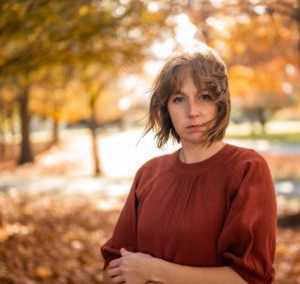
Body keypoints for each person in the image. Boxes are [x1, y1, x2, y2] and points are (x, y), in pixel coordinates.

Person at [101, 46, 277, 284]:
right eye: (179, 99)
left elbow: (249, 277)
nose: (192, 112)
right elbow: (114, 266)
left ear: (220, 104)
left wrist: (154, 270)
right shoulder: (149, 173)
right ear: (166, 109)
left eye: (204, 97)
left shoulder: (247, 169)